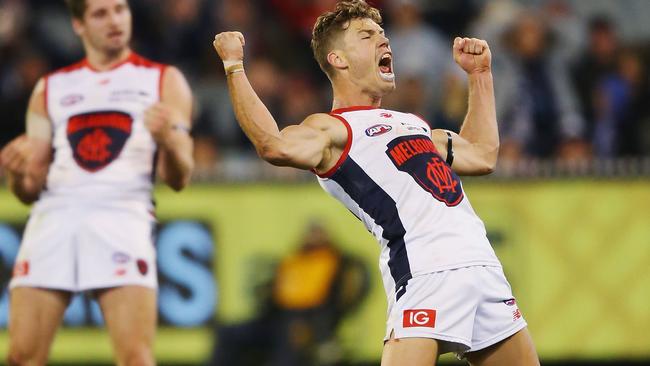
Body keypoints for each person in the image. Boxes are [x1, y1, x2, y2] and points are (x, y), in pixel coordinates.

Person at [213, 0, 539, 365]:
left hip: (482, 267)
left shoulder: (414, 124)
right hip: (426, 270)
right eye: (368, 36)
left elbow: (481, 154)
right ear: (338, 59)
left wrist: (480, 75)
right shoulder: (332, 129)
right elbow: (272, 144)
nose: (385, 42)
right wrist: (234, 65)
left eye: (383, 35)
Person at [0, 0, 193, 364]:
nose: (115, 20)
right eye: (101, 14)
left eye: (120, 10)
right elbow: (30, 189)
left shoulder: (163, 80)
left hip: (122, 213)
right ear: (78, 25)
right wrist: (15, 171)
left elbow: (179, 177)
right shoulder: (50, 89)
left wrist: (169, 139)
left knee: (135, 357)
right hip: (54, 216)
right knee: (21, 356)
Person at [210, 222, 369, 366]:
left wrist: (314, 325)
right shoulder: (292, 260)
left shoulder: (335, 262)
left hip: (308, 321)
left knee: (289, 342)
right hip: (276, 317)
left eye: (318, 233)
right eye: (311, 233)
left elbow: (337, 302)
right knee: (228, 333)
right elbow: (274, 295)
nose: (314, 237)